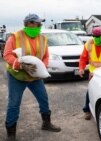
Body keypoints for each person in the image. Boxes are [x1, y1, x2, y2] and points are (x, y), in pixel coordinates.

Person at [3, 13, 61, 141]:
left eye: (40, 24)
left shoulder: (43, 38)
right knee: (14, 104)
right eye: (37, 23)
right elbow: (7, 55)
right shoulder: (15, 37)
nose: (40, 26)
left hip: (35, 76)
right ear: (29, 23)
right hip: (17, 76)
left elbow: (45, 56)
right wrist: (20, 65)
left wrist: (43, 66)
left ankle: (46, 123)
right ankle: (11, 134)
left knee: (43, 99)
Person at [78, 26, 101, 120]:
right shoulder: (89, 44)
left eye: (99, 36)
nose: (97, 38)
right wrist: (81, 68)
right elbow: (83, 58)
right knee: (90, 92)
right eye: (95, 36)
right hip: (94, 74)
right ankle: (87, 110)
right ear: (92, 36)